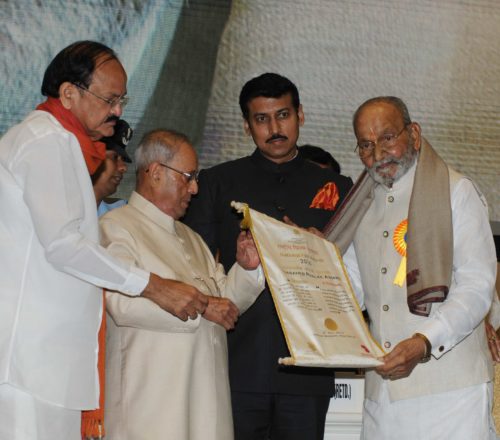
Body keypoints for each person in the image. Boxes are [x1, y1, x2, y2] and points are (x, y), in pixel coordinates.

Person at [0, 41, 208, 440]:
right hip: (28, 360)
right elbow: (64, 246)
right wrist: (154, 286)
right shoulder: (45, 141)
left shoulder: (61, 142)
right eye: (110, 99)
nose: (118, 111)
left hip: (45, 360)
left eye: (122, 99)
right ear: (68, 93)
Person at [184, 72, 352, 440]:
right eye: (262, 119)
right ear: (246, 126)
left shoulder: (339, 188)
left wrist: (318, 252)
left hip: (309, 364)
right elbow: (195, 266)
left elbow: (353, 276)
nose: (274, 128)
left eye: (283, 115)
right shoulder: (216, 182)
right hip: (236, 359)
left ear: (301, 116)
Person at [324, 96, 497, 439]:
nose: (377, 154)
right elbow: (354, 288)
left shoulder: (456, 192)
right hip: (382, 393)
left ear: (414, 134)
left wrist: (424, 342)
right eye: (366, 145)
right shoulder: (361, 205)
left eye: (387, 138)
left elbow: (477, 287)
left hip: (450, 390)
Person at [101, 129, 265, 440]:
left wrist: (246, 268)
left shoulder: (192, 239)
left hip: (207, 404)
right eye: (187, 176)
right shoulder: (116, 227)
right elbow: (120, 304)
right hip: (151, 406)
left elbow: (225, 306)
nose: (194, 188)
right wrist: (202, 307)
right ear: (156, 173)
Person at [93, 118, 132, 216]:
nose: (123, 167)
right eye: (114, 157)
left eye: (123, 159)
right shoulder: (56, 209)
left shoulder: (122, 214)